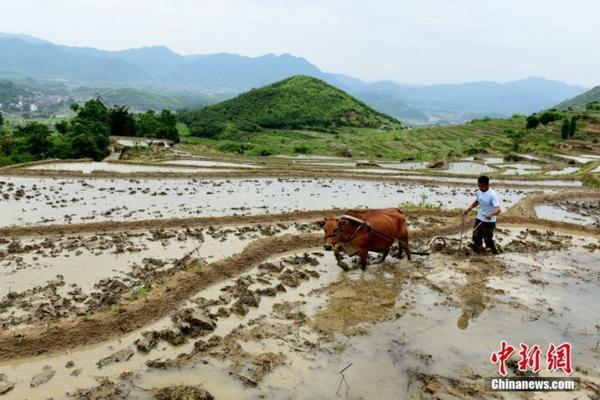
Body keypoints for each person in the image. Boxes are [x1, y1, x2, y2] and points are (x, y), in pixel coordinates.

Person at [462, 175, 501, 254]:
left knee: (487, 239)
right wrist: (468, 209)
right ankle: (480, 252)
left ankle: (495, 252)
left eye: (482, 186)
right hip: (479, 218)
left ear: (487, 185)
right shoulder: (479, 192)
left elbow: (498, 209)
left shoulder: (492, 195)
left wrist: (490, 214)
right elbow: (477, 201)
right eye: (479, 186)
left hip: (489, 221)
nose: (480, 188)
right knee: (476, 236)